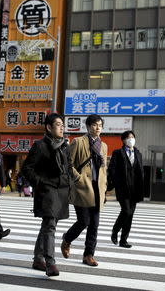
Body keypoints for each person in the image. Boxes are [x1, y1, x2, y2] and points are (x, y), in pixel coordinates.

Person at [22, 113, 74, 276]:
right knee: (50, 225)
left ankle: (38, 258)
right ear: (49, 127)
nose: (61, 127)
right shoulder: (40, 145)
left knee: (48, 226)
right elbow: (27, 169)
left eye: (62, 124)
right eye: (58, 124)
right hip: (48, 190)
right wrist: (41, 183)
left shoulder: (65, 145)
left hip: (62, 190)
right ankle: (50, 262)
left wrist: (70, 181)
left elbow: (69, 166)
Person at [61, 114, 107, 267]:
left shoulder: (104, 146)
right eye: (94, 124)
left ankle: (88, 255)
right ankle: (67, 239)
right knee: (84, 221)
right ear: (88, 127)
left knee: (94, 224)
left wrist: (104, 187)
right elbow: (68, 163)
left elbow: (103, 169)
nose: (98, 127)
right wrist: (77, 178)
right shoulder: (78, 142)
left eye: (100, 124)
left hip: (97, 189)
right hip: (82, 187)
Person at [107, 131, 144, 248]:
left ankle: (124, 240)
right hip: (123, 188)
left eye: (133, 137)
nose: (131, 139)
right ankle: (115, 230)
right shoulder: (118, 153)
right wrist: (113, 183)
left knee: (130, 215)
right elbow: (111, 169)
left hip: (135, 189)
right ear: (123, 140)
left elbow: (140, 172)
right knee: (126, 211)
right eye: (128, 138)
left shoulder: (138, 154)